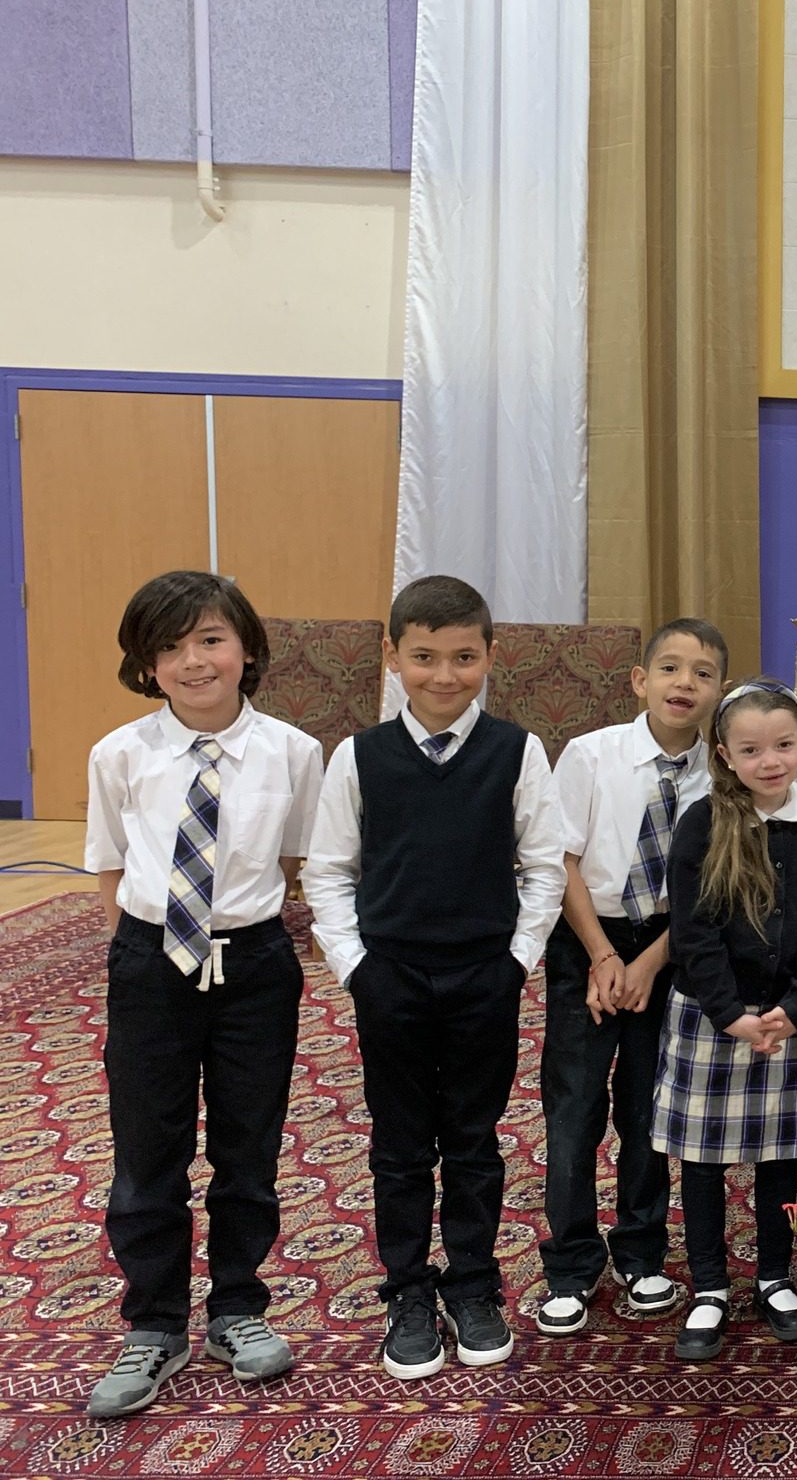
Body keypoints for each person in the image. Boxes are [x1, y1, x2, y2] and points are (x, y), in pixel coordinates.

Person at [302, 576, 566, 1382]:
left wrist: (515, 961)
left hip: (483, 976)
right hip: (391, 979)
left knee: (476, 1140)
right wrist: (357, 969)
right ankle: (410, 1291)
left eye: (462, 658)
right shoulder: (360, 756)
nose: (443, 676)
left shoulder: (518, 751)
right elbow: (327, 871)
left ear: (491, 655)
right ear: (392, 656)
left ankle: (475, 1287)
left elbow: (546, 867)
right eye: (422, 657)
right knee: (401, 1146)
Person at [83, 573, 324, 1418]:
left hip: (253, 966)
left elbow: (295, 863)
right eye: (172, 646)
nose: (194, 660)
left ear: (247, 649)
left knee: (247, 1144)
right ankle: (154, 1324)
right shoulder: (119, 754)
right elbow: (111, 864)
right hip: (151, 965)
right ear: (147, 664)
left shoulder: (295, 752)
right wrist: (157, 945)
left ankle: (236, 1308)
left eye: (211, 639)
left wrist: (232, 933)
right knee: (148, 1149)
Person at [533, 619, 727, 1337]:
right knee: (575, 1107)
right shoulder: (590, 754)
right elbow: (561, 859)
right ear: (639, 680)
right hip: (589, 938)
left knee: (650, 1111)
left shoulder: (724, 773)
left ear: (719, 692)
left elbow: (715, 890)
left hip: (676, 947)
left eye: (702, 673)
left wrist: (651, 962)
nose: (685, 683)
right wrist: (605, 958)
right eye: (670, 668)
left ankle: (642, 1251)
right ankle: (570, 1261)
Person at [656, 681, 797, 1362]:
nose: (771, 760)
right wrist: (731, 1014)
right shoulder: (703, 822)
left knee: (778, 1157)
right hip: (714, 1016)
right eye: (752, 749)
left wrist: (796, 1009)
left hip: (785, 1017)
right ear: (724, 754)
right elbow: (692, 930)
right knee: (702, 1161)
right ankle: (709, 1283)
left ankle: (772, 1274)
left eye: (785, 745)